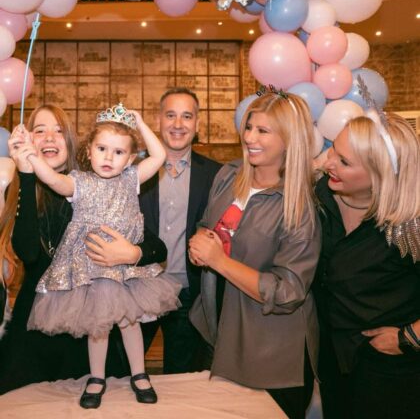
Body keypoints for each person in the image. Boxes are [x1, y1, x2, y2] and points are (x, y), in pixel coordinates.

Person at [18, 103, 181, 409]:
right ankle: (96, 378)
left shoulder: (131, 179)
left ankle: (140, 374)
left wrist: (140, 123)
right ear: (89, 150)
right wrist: (31, 157)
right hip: (90, 268)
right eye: (102, 149)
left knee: (130, 321)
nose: (108, 157)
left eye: (119, 152)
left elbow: (159, 156)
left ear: (130, 159)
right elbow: (53, 180)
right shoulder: (80, 182)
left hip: (124, 268)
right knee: (98, 325)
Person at [188, 91, 321, 419]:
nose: (249, 138)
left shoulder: (299, 206)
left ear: (289, 140)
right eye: (249, 127)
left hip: (270, 355)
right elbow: (207, 225)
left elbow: (289, 291)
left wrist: (220, 261)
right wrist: (201, 243)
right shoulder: (228, 175)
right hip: (216, 335)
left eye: (263, 131)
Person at [315, 113, 420, 419]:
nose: (328, 162)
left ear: (381, 174)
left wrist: (409, 338)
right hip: (333, 363)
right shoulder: (322, 196)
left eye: (344, 161)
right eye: (333, 149)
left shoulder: (410, 224)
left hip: (390, 371)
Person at [139, 87, 221, 373]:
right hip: (139, 288)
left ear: (197, 124)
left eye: (187, 116)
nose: (178, 124)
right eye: (170, 115)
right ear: (158, 120)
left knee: (182, 379)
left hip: (188, 292)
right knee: (123, 374)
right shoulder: (133, 169)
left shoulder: (216, 174)